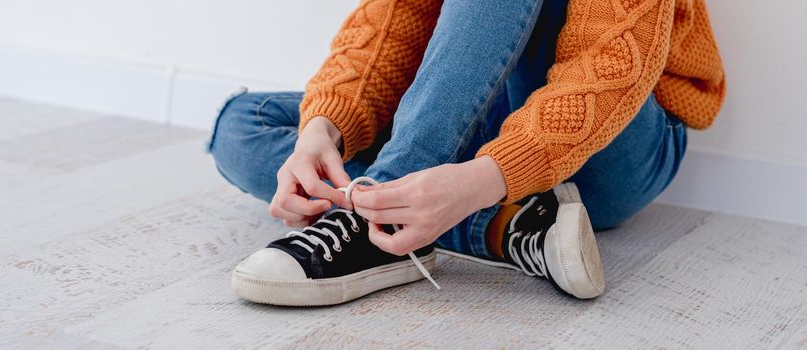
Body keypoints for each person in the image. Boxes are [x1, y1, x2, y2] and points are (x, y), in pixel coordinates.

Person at [210, 0, 725, 306]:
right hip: (484, 113)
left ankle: (379, 226)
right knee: (244, 124)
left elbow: (612, 70)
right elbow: (394, 24)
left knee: (399, 154)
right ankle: (508, 228)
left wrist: (481, 178)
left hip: (615, 143)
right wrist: (324, 128)